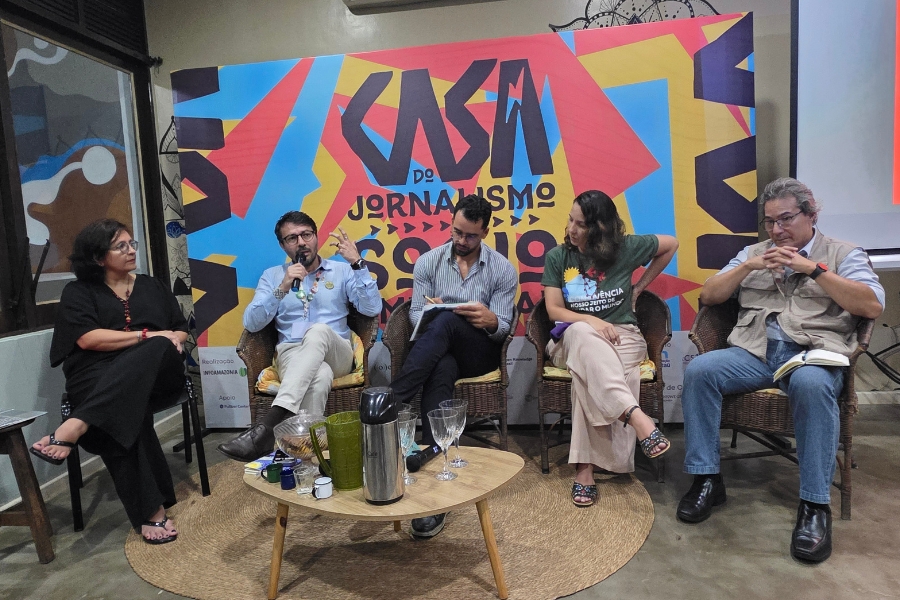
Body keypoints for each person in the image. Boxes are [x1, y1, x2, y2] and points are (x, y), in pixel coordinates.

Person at [677, 177, 884, 563]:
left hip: (811, 354)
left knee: (809, 384)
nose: (777, 230)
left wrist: (813, 269)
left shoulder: (844, 253)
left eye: (785, 219)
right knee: (701, 370)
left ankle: (814, 506)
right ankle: (707, 478)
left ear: (811, 215)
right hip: (754, 353)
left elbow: (870, 307)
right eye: (770, 222)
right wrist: (750, 265)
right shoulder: (754, 252)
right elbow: (709, 295)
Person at [30, 219, 189, 544]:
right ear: (99, 257)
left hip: (159, 370)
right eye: (121, 246)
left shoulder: (152, 285)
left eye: (132, 244)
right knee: (125, 407)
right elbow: (87, 340)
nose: (131, 250)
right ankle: (153, 512)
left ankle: (77, 422)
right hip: (98, 373)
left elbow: (178, 326)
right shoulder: (78, 292)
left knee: (156, 348)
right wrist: (148, 333)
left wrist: (167, 339)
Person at [390, 194, 517, 538]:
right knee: (441, 363)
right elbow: (416, 314)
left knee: (447, 321)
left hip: (479, 352)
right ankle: (434, 464)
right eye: (457, 232)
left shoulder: (503, 269)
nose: (461, 241)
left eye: (470, 236)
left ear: (485, 232)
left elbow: (503, 327)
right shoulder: (428, 262)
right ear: (451, 223)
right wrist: (435, 311)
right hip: (439, 351)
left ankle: (391, 401)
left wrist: (490, 320)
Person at [541, 190, 678, 507]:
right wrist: (590, 320)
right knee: (584, 340)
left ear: (601, 227)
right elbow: (554, 310)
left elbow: (670, 244)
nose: (572, 230)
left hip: (624, 337)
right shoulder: (559, 257)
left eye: (581, 224)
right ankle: (637, 418)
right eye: (571, 220)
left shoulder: (627, 248)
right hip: (572, 334)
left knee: (586, 376)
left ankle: (584, 471)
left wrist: (640, 286)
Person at [217, 211, 380, 462]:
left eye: (306, 234)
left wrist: (357, 263)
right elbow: (252, 322)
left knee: (319, 331)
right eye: (292, 238)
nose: (301, 242)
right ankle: (305, 459)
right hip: (292, 354)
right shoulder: (273, 276)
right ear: (283, 245)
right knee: (319, 375)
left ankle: (268, 426)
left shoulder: (341, 271)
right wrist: (282, 288)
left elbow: (371, 309)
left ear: (316, 237)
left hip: (336, 351)